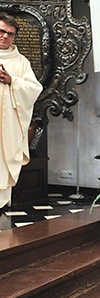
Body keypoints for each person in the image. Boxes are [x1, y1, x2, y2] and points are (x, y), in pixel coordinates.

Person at [0, 13, 43, 208]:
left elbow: (34, 88)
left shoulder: (21, 62)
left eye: (10, 34)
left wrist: (12, 81)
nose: (5, 37)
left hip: (7, 126)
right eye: (1, 31)